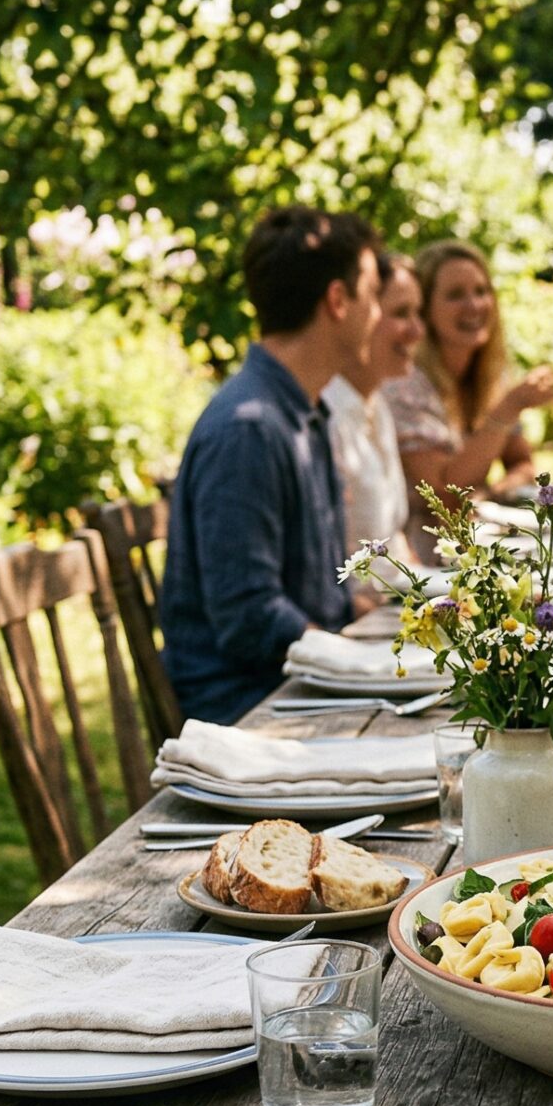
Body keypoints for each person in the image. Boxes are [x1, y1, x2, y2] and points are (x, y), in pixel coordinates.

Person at [160, 206, 382, 724]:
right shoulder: (249, 428)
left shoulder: (304, 410)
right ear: (337, 300)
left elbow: (319, 592)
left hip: (301, 686)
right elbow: (249, 619)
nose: (376, 313)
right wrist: (356, 664)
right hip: (253, 711)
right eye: (372, 295)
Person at [383, 240, 553, 514]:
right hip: (423, 550)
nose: (474, 305)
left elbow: (523, 464)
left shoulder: (490, 377)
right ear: (425, 308)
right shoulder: (405, 383)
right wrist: (511, 405)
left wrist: (492, 493)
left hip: (477, 544)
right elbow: (442, 489)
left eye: (481, 291)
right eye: (455, 294)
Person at [323, 247, 424, 575]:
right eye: (401, 313)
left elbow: (392, 539)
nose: (417, 331)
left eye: (418, 313)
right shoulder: (323, 415)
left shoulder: (376, 404)